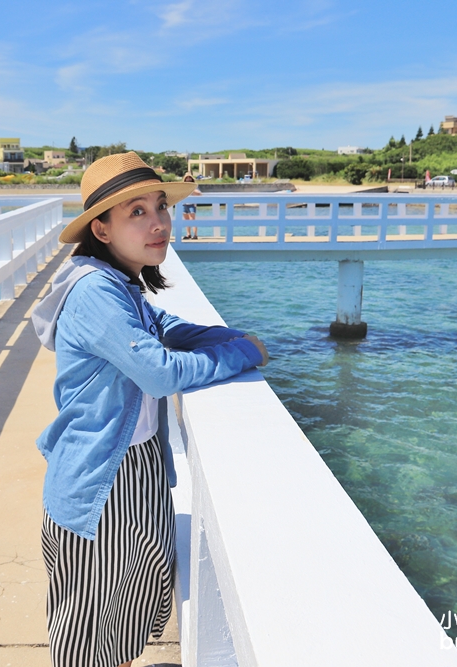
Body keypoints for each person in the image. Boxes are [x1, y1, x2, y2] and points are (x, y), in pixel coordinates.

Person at [31, 152, 269, 667]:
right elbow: (159, 372)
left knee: (133, 599)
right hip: (102, 478)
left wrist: (226, 335)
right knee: (90, 620)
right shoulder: (95, 290)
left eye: (160, 206)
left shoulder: (122, 284)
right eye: (136, 212)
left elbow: (167, 328)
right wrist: (242, 353)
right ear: (101, 227)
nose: (159, 222)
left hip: (134, 470)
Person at [181, 173, 202, 240]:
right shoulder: (182, 186)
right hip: (184, 204)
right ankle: (188, 234)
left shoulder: (194, 186)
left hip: (192, 204)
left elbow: (199, 193)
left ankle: (195, 235)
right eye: (187, 178)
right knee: (186, 220)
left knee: (192, 219)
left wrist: (190, 189)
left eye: (190, 178)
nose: (188, 179)